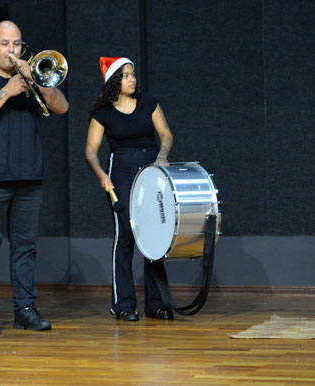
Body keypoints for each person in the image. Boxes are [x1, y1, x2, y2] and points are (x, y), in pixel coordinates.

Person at [0, 20, 69, 335]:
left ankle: (25, 309)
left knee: (25, 248)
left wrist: (36, 79)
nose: (11, 51)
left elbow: (62, 107)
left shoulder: (30, 76)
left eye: (17, 44)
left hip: (29, 176)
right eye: (5, 44)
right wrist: (7, 92)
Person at [84, 57, 175, 321]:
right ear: (114, 81)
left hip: (152, 168)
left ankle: (155, 304)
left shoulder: (148, 101)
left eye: (133, 74)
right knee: (125, 235)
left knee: (154, 238)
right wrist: (101, 175)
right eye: (125, 75)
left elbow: (166, 135)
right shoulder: (103, 112)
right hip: (121, 171)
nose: (132, 79)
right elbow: (90, 151)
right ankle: (123, 304)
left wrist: (162, 155)